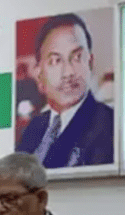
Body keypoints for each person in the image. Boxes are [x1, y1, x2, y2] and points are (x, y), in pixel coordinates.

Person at [16, 13, 114, 168]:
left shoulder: (109, 125)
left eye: (77, 57)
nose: (68, 73)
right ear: (40, 74)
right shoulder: (34, 127)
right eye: (55, 61)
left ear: (90, 63)